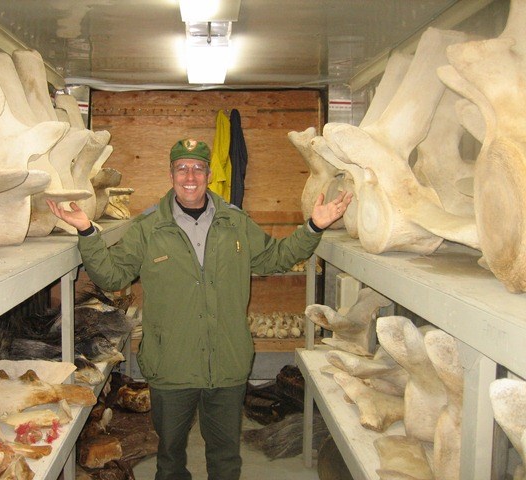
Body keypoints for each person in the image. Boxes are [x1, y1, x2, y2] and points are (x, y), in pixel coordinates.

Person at [47, 138, 352, 480]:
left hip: (227, 363)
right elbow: (112, 273)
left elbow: (275, 257)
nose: (189, 175)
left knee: (225, 459)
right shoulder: (148, 228)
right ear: (171, 174)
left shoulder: (235, 223)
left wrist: (313, 226)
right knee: (170, 460)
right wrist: (87, 231)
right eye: (182, 168)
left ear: (208, 174)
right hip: (171, 366)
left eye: (197, 168)